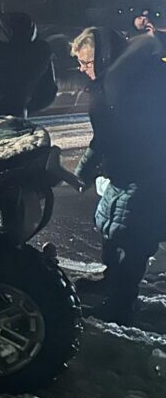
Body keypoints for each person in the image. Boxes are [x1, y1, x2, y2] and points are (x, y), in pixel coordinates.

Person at [71, 27, 166, 325]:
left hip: (145, 174)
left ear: (101, 56)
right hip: (125, 172)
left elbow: (109, 137)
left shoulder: (130, 83)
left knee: (136, 240)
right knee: (112, 228)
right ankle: (112, 280)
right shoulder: (116, 80)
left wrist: (83, 172)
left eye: (86, 63)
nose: (83, 70)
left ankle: (122, 304)